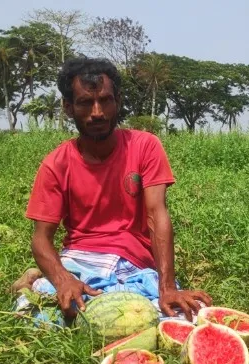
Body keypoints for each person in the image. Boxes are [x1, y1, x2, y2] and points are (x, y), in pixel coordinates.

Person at [13, 57, 211, 325]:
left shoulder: (145, 146)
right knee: (39, 317)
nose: (97, 112)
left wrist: (167, 287)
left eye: (105, 100)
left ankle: (39, 279)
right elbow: (41, 239)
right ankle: (38, 279)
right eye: (85, 102)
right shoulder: (55, 164)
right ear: (69, 107)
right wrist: (63, 279)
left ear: (117, 101)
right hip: (81, 262)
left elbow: (157, 214)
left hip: (138, 266)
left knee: (185, 321)